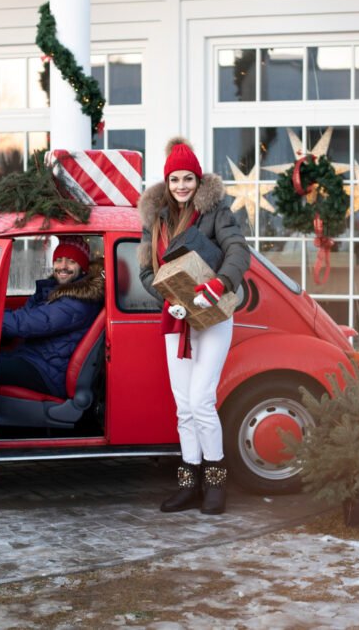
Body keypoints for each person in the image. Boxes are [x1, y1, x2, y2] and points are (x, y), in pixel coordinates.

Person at [138, 137, 250, 515]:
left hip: (214, 314)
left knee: (202, 400)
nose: (182, 185)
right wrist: (167, 298)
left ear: (198, 180)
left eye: (188, 178)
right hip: (177, 317)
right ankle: (189, 483)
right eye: (175, 179)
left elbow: (237, 250)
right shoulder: (156, 220)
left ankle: (216, 484)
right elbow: (145, 271)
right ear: (167, 182)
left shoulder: (217, 212)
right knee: (184, 407)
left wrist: (220, 284)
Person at [0, 237, 104, 399]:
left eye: (71, 261)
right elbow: (27, 314)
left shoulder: (79, 301)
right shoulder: (53, 291)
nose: (63, 266)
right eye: (59, 260)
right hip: (34, 358)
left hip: (48, 371)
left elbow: (27, 323)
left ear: (82, 268)